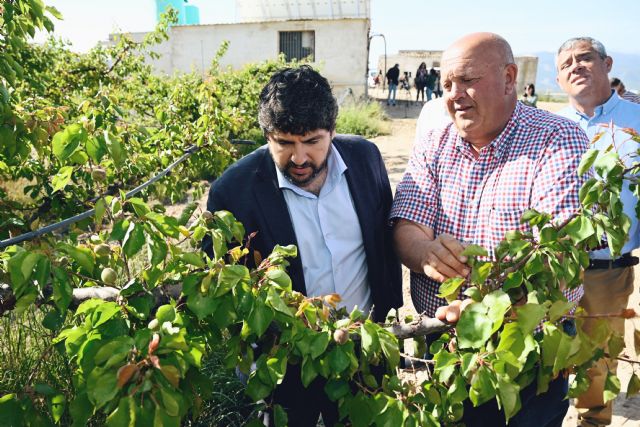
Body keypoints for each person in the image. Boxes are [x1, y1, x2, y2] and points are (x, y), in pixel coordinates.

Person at [391, 32, 589, 426]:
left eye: (467, 80)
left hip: (528, 340)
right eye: (447, 84)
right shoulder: (435, 142)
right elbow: (405, 225)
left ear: (509, 78)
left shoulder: (557, 140)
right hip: (443, 339)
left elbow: (559, 252)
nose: (454, 94)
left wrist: (488, 309)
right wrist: (425, 254)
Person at [202, 65, 402, 426]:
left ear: (333, 131)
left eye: (312, 142)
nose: (298, 158)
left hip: (365, 345)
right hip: (288, 362)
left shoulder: (366, 158)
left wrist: (392, 318)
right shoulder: (232, 192)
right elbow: (227, 294)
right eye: (284, 143)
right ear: (266, 136)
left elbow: (383, 246)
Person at [555, 37, 640, 427]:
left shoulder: (636, 121)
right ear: (558, 79)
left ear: (607, 63)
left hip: (607, 269)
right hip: (551, 268)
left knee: (597, 359)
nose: (576, 66)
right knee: (551, 356)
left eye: (585, 58)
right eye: (567, 63)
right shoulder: (549, 126)